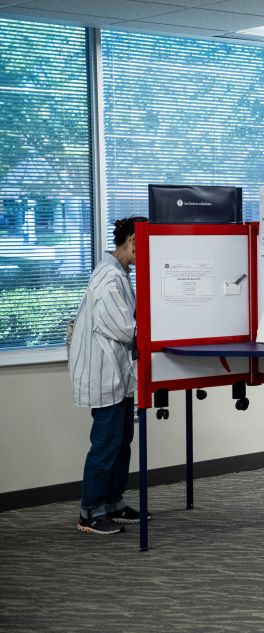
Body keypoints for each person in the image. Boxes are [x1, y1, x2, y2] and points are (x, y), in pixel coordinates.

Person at [70, 216, 147, 535]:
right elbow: (125, 328)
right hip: (103, 374)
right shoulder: (109, 278)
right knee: (106, 443)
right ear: (132, 241)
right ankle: (91, 511)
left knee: (121, 442)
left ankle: (113, 503)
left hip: (118, 373)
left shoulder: (119, 274)